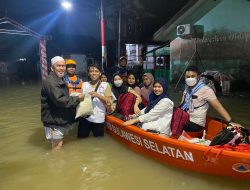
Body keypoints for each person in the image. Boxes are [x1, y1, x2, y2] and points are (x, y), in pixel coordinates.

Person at [180, 66, 242, 133]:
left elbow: (218, 106)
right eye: (188, 77)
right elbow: (182, 104)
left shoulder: (206, 90)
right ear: (185, 77)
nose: (190, 79)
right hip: (186, 118)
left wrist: (231, 122)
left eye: (192, 76)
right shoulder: (187, 88)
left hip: (195, 124)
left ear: (198, 77)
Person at [41, 56, 84, 151]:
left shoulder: (60, 79)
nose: (61, 68)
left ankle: (58, 163)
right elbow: (60, 100)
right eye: (58, 66)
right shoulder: (51, 81)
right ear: (52, 68)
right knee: (57, 147)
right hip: (54, 122)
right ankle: (56, 164)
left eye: (63, 66)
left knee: (59, 144)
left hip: (59, 119)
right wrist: (77, 98)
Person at [78, 63, 112, 138]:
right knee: (81, 139)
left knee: (98, 142)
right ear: (88, 73)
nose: (94, 73)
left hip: (98, 119)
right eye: (91, 71)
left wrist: (98, 95)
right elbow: (81, 100)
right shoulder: (84, 84)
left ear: (100, 73)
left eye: (96, 71)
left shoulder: (105, 85)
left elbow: (109, 101)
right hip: (85, 117)